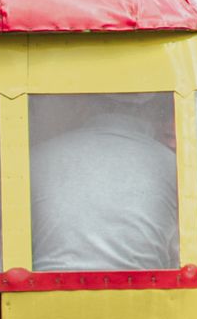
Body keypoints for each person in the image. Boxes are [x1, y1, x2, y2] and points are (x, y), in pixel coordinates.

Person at [31, 96, 179, 271]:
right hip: (146, 290)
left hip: (44, 291)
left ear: (86, 108)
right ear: (150, 115)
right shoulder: (171, 164)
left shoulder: (36, 157)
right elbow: (181, 253)